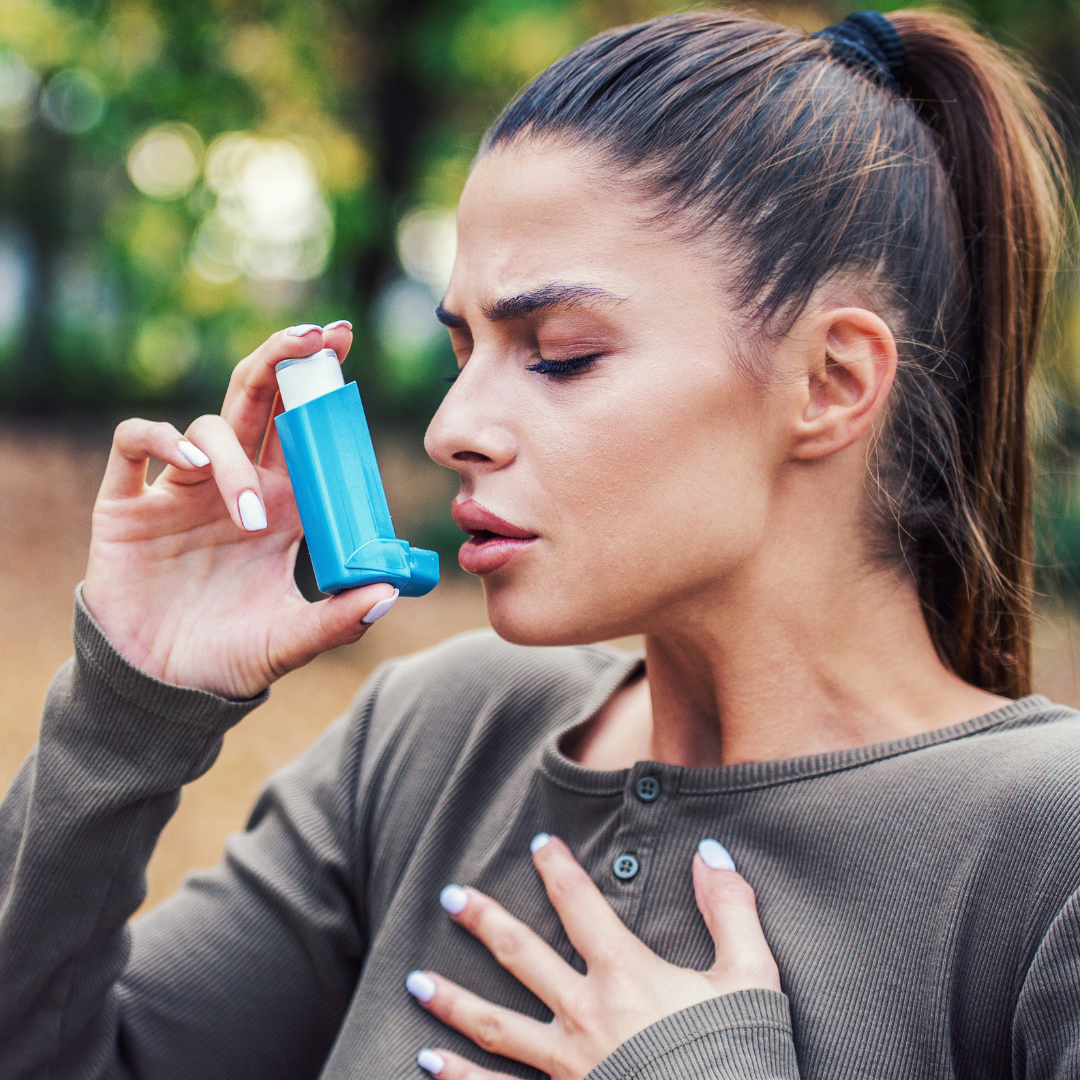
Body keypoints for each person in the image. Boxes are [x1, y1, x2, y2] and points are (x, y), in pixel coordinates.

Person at [0, 7, 1076, 1079]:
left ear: (831, 382)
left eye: (558, 354)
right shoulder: (437, 740)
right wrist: (128, 705)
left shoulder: (1047, 854)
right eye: (465, 348)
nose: (451, 428)